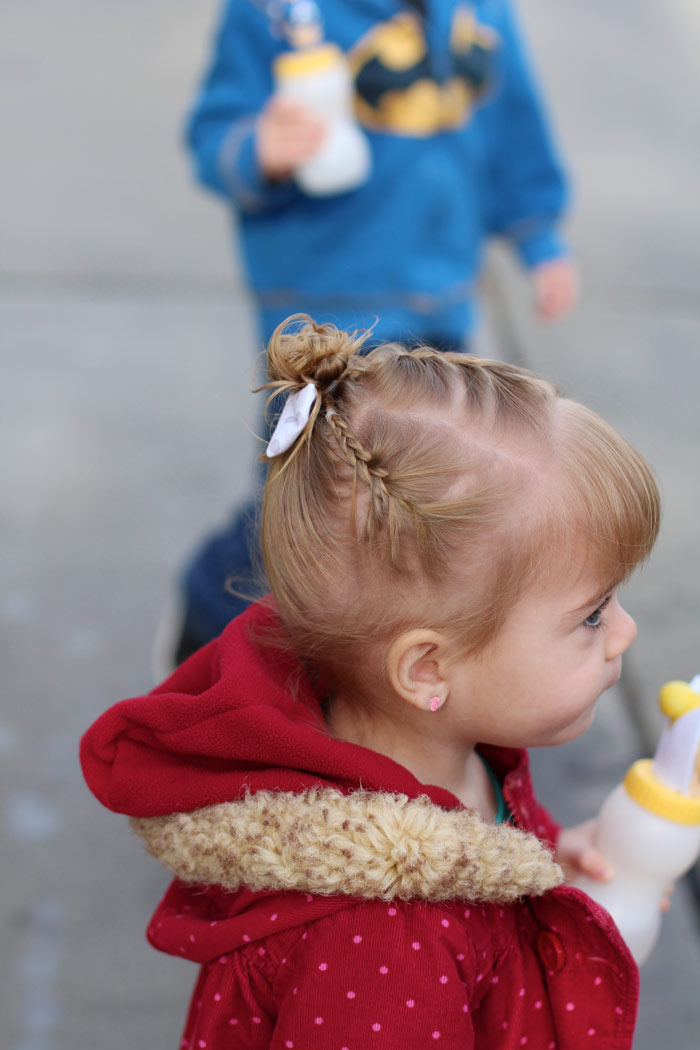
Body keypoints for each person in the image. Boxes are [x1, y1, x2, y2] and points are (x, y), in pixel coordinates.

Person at [82, 317, 659, 1049]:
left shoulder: (451, 746)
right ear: (427, 669)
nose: (625, 633)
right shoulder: (376, 945)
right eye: (591, 616)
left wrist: (540, 885)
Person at [167, 0, 579, 666]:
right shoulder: (273, 14)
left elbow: (512, 126)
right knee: (304, 509)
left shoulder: (484, 13)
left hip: (439, 299)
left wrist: (540, 235)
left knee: (416, 498)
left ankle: (354, 657)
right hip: (322, 314)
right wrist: (260, 150)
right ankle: (210, 624)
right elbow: (216, 134)